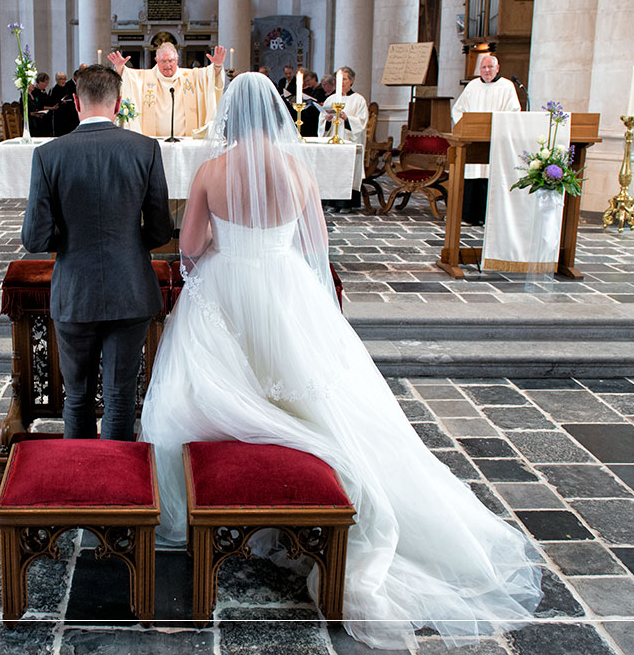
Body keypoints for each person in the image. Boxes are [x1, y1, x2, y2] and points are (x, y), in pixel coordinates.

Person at [138, 73, 542, 650]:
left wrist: (226, 251)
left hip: (225, 293)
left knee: (205, 397)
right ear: (277, 115)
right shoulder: (299, 170)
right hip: (286, 289)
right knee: (314, 400)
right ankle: (296, 501)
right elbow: (314, 245)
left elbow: (191, 246)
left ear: (231, 115)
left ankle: (225, 502)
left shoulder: (212, 171)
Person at [21, 64, 173, 440]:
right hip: (130, 288)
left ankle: (82, 486)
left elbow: (35, 239)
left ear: (74, 102)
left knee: (77, 397)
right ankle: (119, 490)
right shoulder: (145, 149)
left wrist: (73, 239)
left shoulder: (49, 155)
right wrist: (124, 238)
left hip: (75, 290)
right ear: (119, 103)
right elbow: (159, 230)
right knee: (121, 397)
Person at [451, 55, 521, 225]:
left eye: (490, 67)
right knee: (472, 176)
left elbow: (514, 111)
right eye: (483, 67)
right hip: (473, 139)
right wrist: (467, 127)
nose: (487, 70)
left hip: (495, 140)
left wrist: (497, 128)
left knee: (490, 178)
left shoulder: (507, 87)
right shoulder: (472, 86)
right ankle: (469, 216)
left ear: (497, 68)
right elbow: (458, 110)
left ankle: (490, 218)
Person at [108, 42, 225, 139]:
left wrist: (217, 66)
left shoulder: (192, 76)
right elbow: (127, 77)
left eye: (171, 60)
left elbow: (210, 77)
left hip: (185, 140)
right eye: (163, 61)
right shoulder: (144, 78)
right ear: (156, 60)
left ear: (177, 59)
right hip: (152, 141)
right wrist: (120, 68)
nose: (167, 65)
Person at [321, 67, 370, 212]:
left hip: (349, 141)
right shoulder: (331, 99)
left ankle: (346, 204)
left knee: (347, 171)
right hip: (333, 141)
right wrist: (327, 119)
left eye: (345, 79)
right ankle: (331, 202)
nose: (341, 82)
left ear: (352, 80)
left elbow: (361, 122)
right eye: (338, 79)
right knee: (332, 170)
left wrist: (347, 118)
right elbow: (322, 121)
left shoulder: (358, 99)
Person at [27, 72, 55, 137]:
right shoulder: (35, 92)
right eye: (45, 82)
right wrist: (51, 108)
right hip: (38, 119)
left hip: (46, 116)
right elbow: (38, 105)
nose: (47, 84)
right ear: (39, 82)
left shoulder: (43, 91)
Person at [50, 71, 78, 136]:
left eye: (64, 79)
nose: (63, 81)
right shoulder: (55, 90)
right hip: (60, 116)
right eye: (61, 79)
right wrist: (61, 102)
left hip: (70, 115)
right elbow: (53, 102)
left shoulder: (68, 88)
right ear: (57, 80)